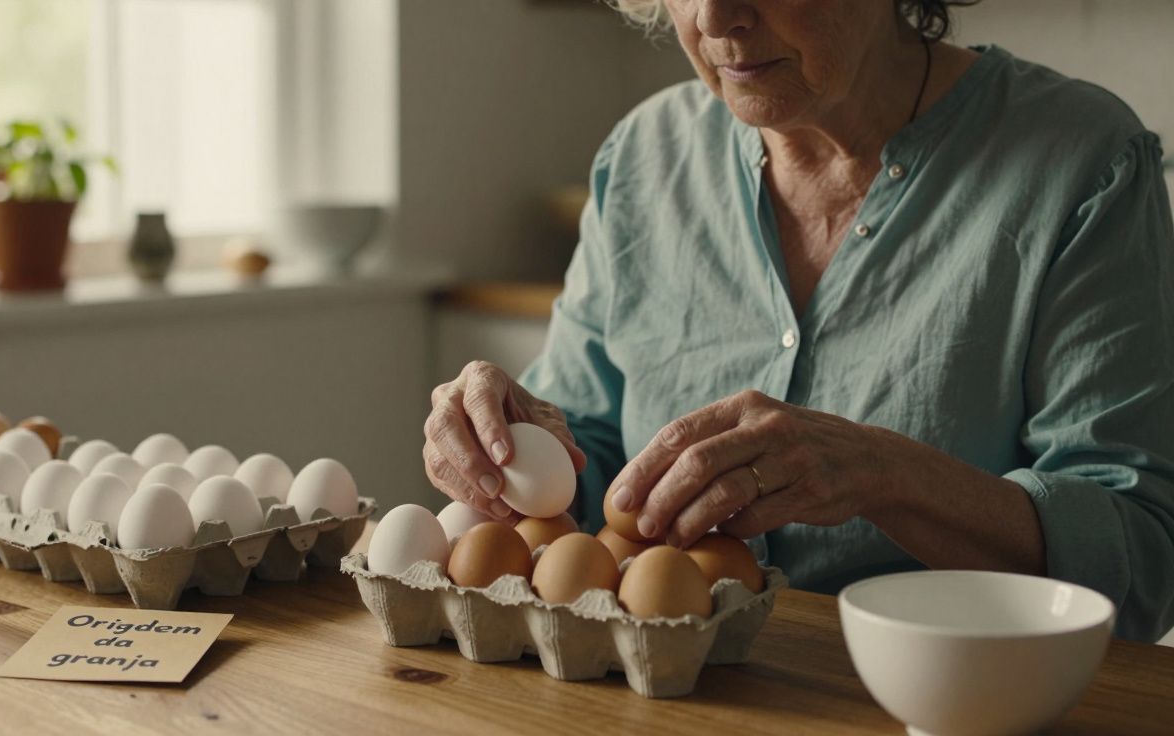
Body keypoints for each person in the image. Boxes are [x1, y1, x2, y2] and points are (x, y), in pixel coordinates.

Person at [421, 0, 1174, 641]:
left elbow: (1140, 561)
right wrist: (513, 444)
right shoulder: (645, 157)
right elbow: (586, 462)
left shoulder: (1081, 163)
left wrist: (885, 475)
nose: (714, 17)